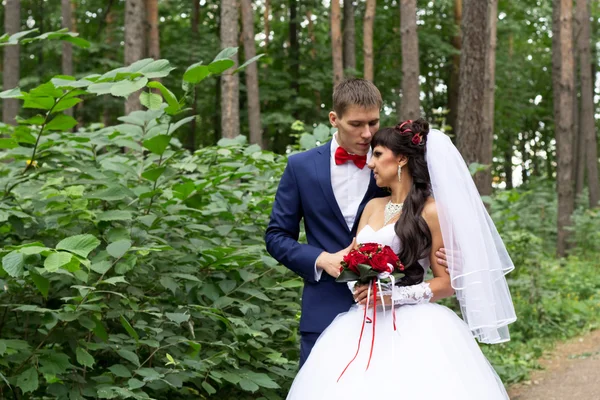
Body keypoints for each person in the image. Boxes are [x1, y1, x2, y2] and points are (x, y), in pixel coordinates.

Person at [286, 119, 517, 399]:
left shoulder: (431, 212)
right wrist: (360, 286)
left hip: (412, 324)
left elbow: (447, 283)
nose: (371, 163)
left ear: (402, 159)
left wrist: (393, 296)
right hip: (361, 321)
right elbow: (352, 261)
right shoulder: (372, 206)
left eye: (378, 154)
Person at [265, 80, 451, 367]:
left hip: (395, 320)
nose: (367, 134)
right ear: (334, 119)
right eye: (356, 124)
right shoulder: (300, 167)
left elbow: (426, 215)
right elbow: (276, 236)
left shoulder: (391, 163)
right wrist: (321, 259)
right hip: (324, 309)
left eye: (373, 122)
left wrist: (453, 254)